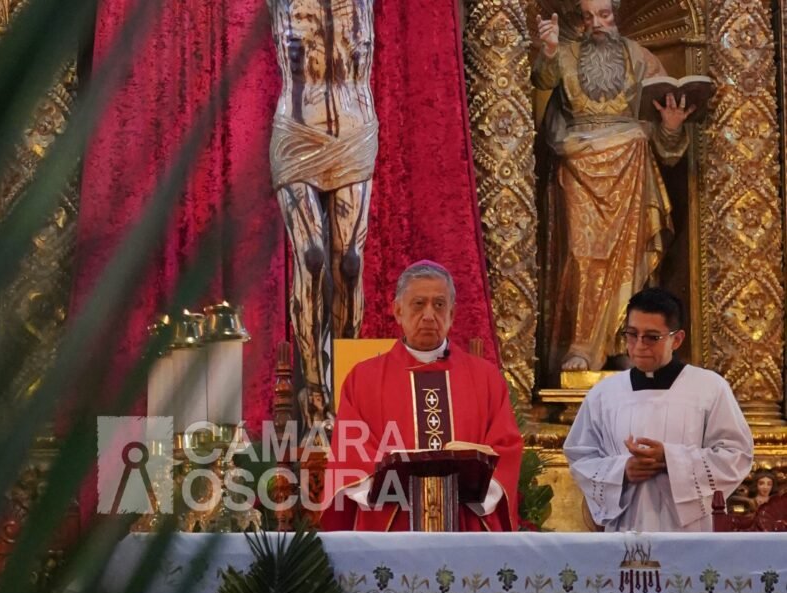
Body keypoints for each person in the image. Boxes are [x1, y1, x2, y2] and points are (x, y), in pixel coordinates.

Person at [533, 0, 696, 372]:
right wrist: (549, 50)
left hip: (630, 167)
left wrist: (671, 127)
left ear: (616, 15)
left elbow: (664, 131)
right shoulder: (565, 54)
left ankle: (627, 341)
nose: (597, 24)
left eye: (604, 15)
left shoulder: (639, 58)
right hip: (578, 166)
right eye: (589, 17)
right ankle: (579, 345)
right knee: (580, 256)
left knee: (631, 261)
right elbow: (542, 80)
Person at [320, 261, 523, 531]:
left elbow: (506, 448)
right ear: (398, 311)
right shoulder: (363, 379)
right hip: (392, 526)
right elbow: (351, 455)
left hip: (466, 522)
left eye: (439, 305)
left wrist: (475, 488)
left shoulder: (485, 378)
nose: (429, 315)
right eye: (418, 304)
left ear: (452, 313)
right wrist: (392, 488)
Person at [267, 0, 379, 429]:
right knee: (311, 257)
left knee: (350, 264)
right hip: (298, 131)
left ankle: (345, 386)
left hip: (354, 130)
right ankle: (313, 389)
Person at [564, 287, 754, 531]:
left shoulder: (709, 388)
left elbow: (736, 455)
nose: (639, 345)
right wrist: (622, 471)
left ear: (677, 339)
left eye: (652, 337)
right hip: (625, 529)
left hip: (689, 532)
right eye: (632, 334)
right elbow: (581, 457)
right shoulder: (604, 394)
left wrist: (669, 458)